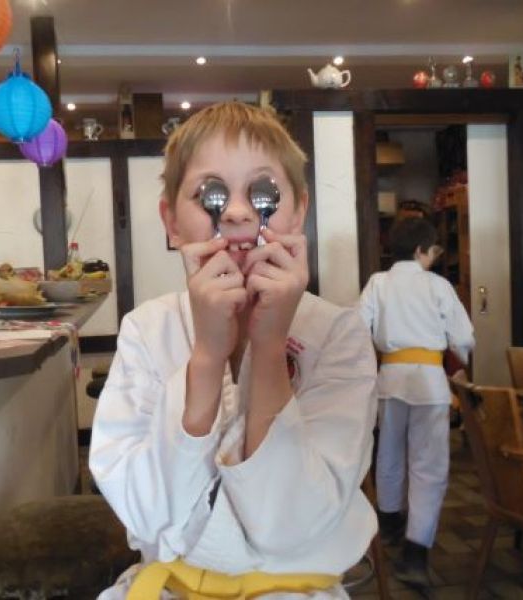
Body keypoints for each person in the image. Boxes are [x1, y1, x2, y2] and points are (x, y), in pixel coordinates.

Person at [89, 101, 378, 599]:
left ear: (299, 211)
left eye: (263, 192)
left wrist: (269, 349)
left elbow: (289, 524)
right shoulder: (147, 330)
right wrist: (206, 357)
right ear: (171, 221)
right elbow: (144, 512)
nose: (238, 212)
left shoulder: (337, 335)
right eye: (211, 193)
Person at [356, 217, 474, 587]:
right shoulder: (438, 285)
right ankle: (415, 551)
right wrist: (462, 363)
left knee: (389, 452)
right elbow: (463, 337)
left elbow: (356, 328)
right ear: (423, 250)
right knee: (428, 465)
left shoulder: (378, 282)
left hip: (390, 377)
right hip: (429, 382)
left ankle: (389, 522)